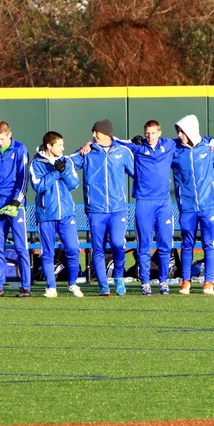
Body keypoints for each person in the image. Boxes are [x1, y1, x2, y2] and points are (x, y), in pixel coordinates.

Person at [72, 119, 135, 296]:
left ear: (106, 133)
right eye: (93, 133)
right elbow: (68, 164)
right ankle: (103, 286)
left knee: (117, 244)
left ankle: (119, 279)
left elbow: (138, 173)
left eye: (96, 132)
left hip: (117, 209)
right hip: (96, 209)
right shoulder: (88, 151)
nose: (93, 135)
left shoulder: (122, 152)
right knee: (97, 248)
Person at [115, 120, 176, 295]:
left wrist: (212, 141)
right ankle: (145, 283)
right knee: (144, 245)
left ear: (159, 132)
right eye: (147, 133)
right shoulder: (138, 148)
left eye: (153, 133)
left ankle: (164, 281)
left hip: (163, 202)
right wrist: (90, 142)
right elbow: (114, 141)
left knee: (165, 244)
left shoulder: (169, 144)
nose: (150, 136)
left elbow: (189, 138)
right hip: (144, 202)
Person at [171, 115, 214, 295]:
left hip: (209, 204)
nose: (179, 135)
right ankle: (185, 282)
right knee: (187, 244)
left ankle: (209, 282)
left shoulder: (207, 148)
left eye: (183, 131)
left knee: (210, 244)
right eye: (178, 131)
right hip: (187, 206)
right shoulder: (175, 150)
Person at [0, 121, 32, 298]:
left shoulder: (20, 149)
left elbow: (23, 179)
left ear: (9, 134)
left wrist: (16, 203)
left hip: (14, 206)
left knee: (21, 247)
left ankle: (25, 286)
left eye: (2, 139)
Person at [30, 131, 83, 298]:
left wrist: (64, 170)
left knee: (73, 250)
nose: (63, 148)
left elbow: (74, 184)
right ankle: (51, 287)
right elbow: (38, 186)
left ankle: (73, 284)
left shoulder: (66, 161)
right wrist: (55, 172)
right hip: (46, 215)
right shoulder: (36, 163)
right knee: (47, 253)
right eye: (59, 145)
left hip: (66, 214)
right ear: (49, 146)